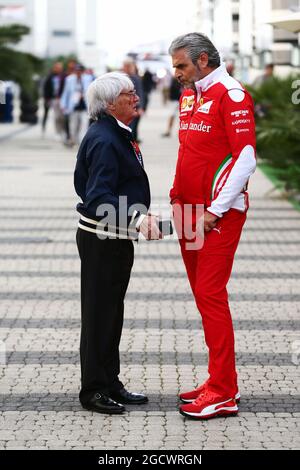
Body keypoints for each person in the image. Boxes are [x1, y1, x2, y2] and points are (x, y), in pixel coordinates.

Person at [168, 32, 256, 420]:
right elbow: (188, 150)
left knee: (210, 294)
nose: (175, 73)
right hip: (187, 211)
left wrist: (215, 210)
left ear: (203, 60)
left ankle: (223, 392)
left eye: (181, 65)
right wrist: (175, 197)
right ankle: (217, 380)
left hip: (216, 215)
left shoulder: (232, 94)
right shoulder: (191, 93)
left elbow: (247, 159)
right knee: (203, 299)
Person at [74, 72, 162, 414]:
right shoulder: (105, 139)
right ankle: (93, 389)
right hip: (102, 238)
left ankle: (110, 381)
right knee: (98, 315)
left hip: (115, 237)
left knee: (111, 313)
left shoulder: (116, 133)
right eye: (129, 94)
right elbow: (97, 196)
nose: (136, 97)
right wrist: (139, 219)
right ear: (110, 104)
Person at [60, 64, 93, 146]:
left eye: (80, 71)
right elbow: (66, 93)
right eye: (77, 71)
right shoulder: (69, 79)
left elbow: (91, 92)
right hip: (73, 106)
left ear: (82, 71)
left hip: (84, 106)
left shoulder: (88, 79)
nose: (78, 73)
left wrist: (83, 95)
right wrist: (63, 105)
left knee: (84, 124)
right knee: (73, 125)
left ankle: (82, 142)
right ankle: (73, 139)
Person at [122, 58, 145, 142]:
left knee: (132, 127)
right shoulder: (123, 77)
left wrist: (140, 107)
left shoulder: (135, 78)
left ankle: (132, 143)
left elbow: (140, 92)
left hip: (134, 106)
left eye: (127, 66)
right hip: (125, 106)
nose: (125, 68)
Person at [42, 62, 65, 138]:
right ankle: (43, 128)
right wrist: (46, 98)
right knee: (47, 114)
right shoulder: (50, 76)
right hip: (51, 98)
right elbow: (45, 88)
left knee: (60, 116)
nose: (59, 69)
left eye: (60, 68)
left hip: (60, 99)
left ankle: (61, 131)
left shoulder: (63, 76)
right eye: (57, 68)